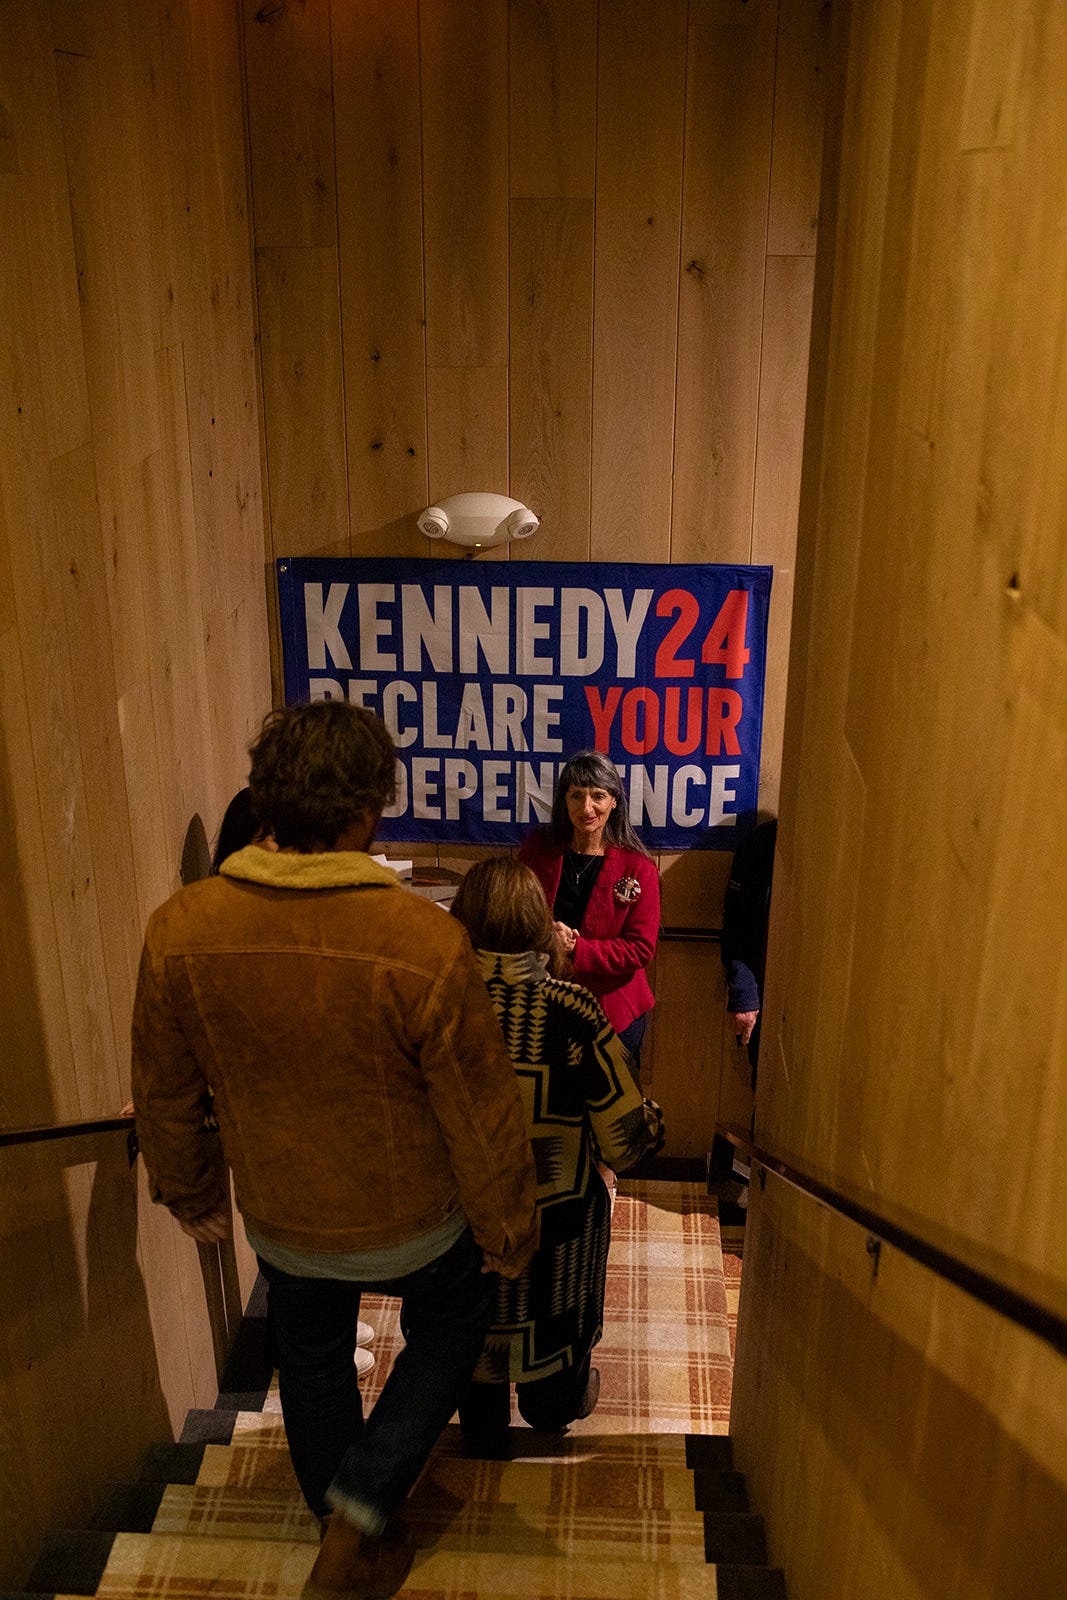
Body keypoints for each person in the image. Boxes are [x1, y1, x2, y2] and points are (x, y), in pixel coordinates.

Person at [132, 702, 538, 1600]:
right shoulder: (422, 941)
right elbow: (479, 1112)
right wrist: (508, 1227)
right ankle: (361, 1507)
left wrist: (187, 1187)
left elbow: (163, 1086)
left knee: (309, 1353)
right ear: (370, 811)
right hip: (415, 1220)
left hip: (282, 1217)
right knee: (458, 1315)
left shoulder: (179, 929)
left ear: (265, 795)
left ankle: (338, 1524)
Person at [450, 857, 664, 1457]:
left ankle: (483, 1435)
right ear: (538, 923)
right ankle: (552, 1405)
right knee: (554, 1375)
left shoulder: (437, 1006)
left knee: (471, 1357)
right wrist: (652, 1119)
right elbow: (624, 1142)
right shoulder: (570, 1010)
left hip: (464, 1231)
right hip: (558, 1236)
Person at [519, 751, 661, 1066]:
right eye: (576, 796)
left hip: (613, 1015)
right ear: (563, 800)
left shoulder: (639, 868)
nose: (586, 808)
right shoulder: (538, 850)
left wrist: (577, 948)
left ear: (614, 801)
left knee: (611, 1098)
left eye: (598, 796)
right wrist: (545, 936)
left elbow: (640, 949)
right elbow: (516, 915)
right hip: (544, 1009)